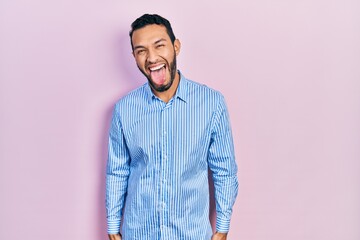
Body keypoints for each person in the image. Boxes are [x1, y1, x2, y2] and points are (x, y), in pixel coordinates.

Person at [106, 14, 238, 240]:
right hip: (138, 234)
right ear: (134, 57)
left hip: (192, 234)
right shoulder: (124, 109)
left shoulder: (211, 103)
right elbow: (117, 171)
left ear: (176, 46)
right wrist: (112, 227)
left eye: (159, 45)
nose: (152, 57)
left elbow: (224, 170)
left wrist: (222, 229)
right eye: (141, 51)